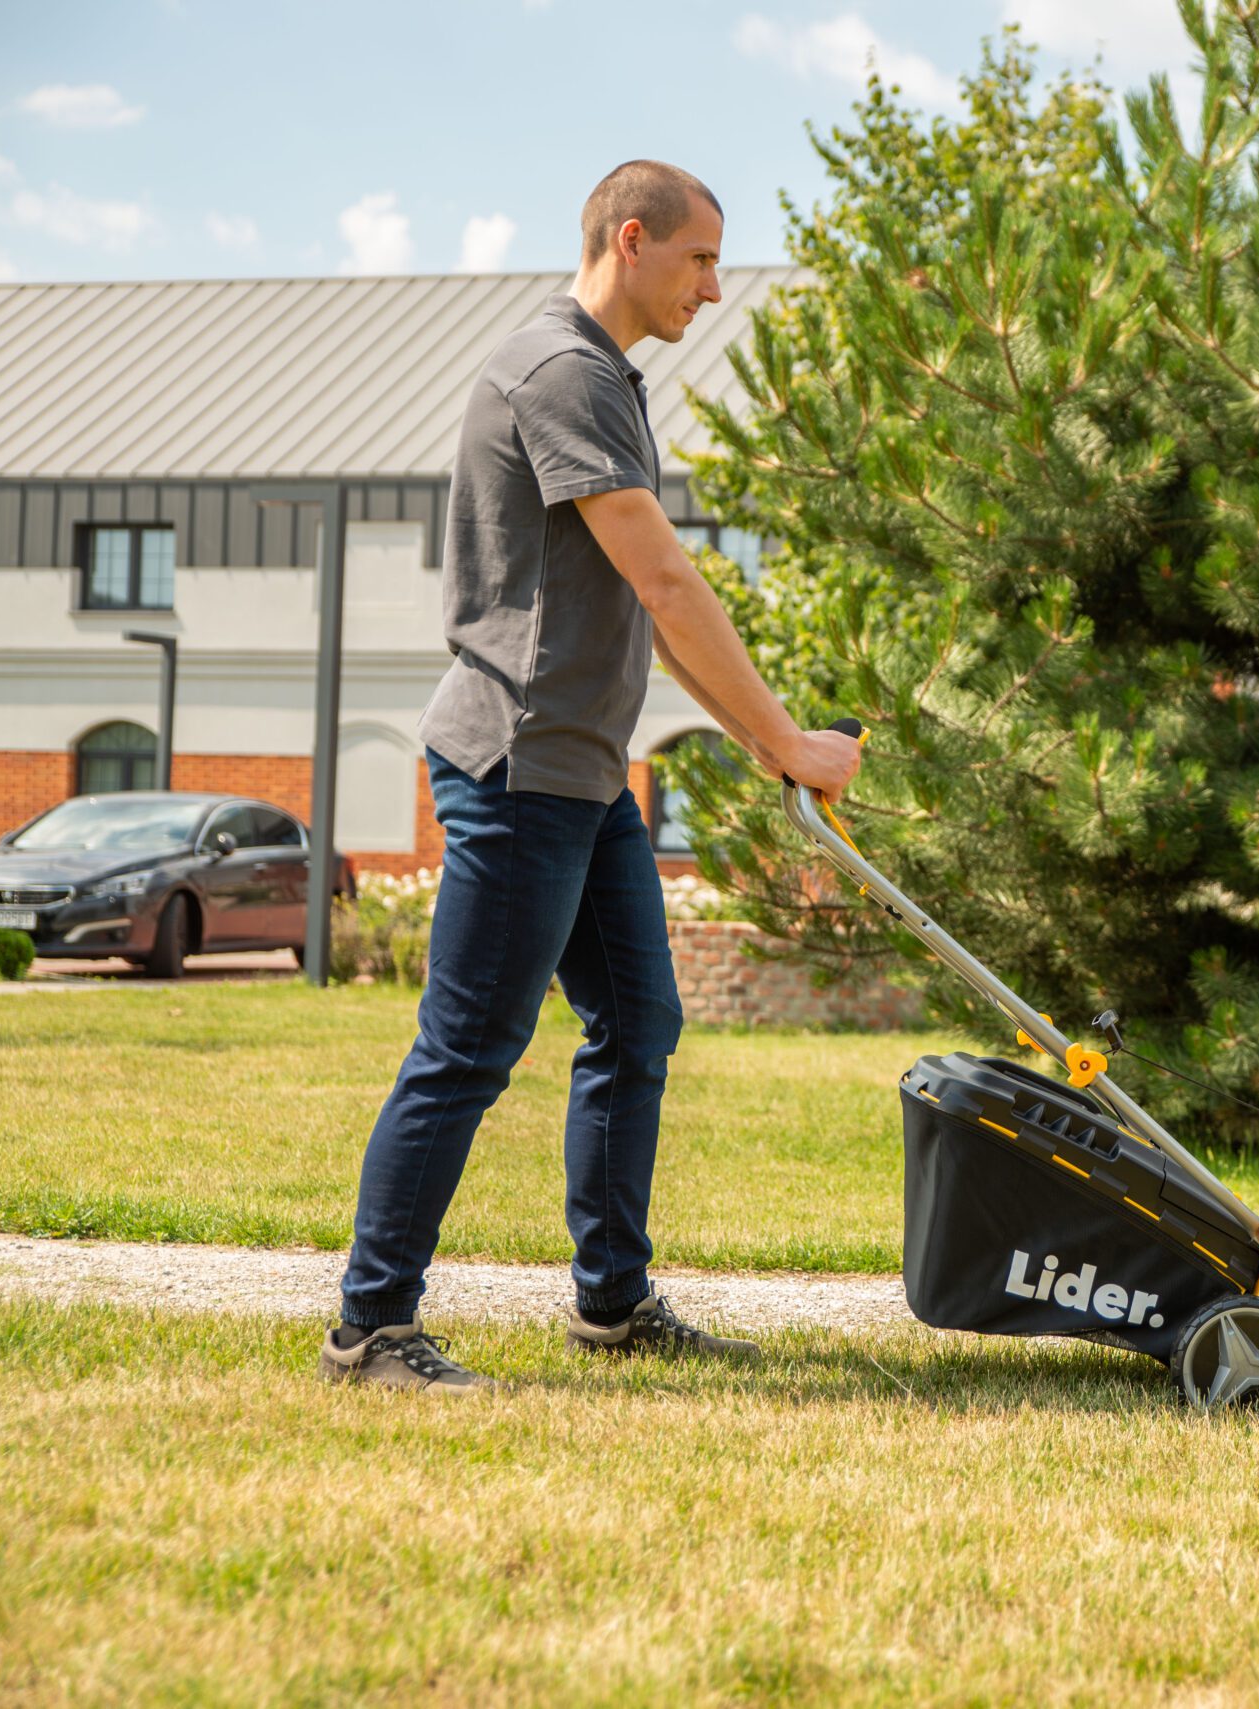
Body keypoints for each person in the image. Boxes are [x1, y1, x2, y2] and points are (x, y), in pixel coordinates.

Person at [320, 160, 862, 1391]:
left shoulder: (599, 376)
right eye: (699, 260)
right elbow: (665, 584)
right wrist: (787, 743)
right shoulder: (562, 369)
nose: (714, 288)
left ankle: (612, 1302)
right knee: (468, 1044)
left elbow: (636, 599)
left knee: (636, 1020)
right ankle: (370, 1326)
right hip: (519, 764)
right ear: (632, 239)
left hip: (583, 771)